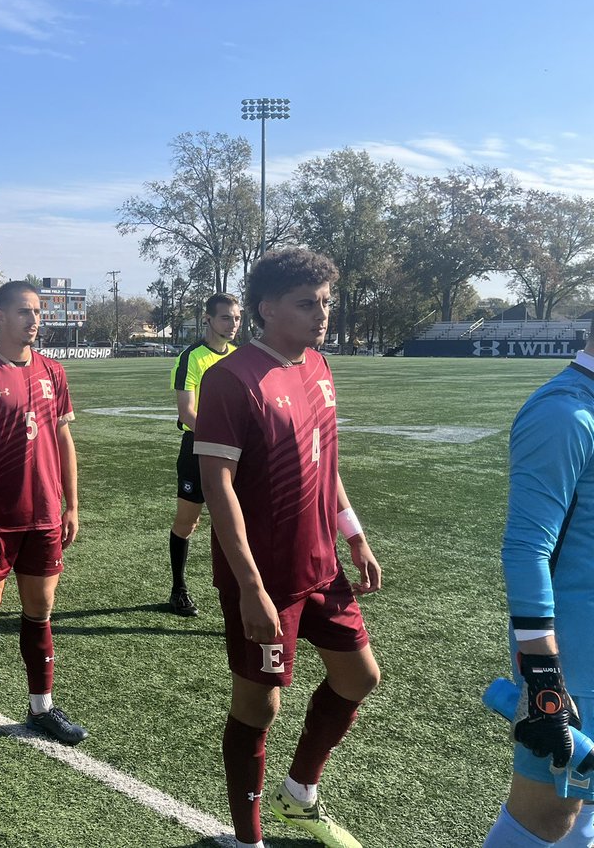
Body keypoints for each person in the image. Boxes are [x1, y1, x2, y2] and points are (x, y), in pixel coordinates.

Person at [195, 249, 382, 848]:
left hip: (322, 566)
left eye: (325, 301)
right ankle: (245, 839)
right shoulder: (232, 379)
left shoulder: (320, 366)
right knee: (259, 708)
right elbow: (217, 487)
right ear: (266, 308)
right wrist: (249, 587)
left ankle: (298, 795)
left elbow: (326, 464)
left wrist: (354, 534)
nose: (321, 314)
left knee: (358, 678)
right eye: (307, 303)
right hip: (268, 577)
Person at [0, 280, 87, 745]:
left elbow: (64, 441)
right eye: (25, 312)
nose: (35, 321)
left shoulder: (53, 372)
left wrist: (72, 504)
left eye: (38, 313)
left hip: (46, 515)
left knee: (41, 608)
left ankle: (41, 706)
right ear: (1, 317)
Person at [482, 335, 594, 848]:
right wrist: (544, 675)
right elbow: (526, 547)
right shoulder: (564, 414)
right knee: (548, 812)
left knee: (586, 804)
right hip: (574, 651)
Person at [166, 293, 241, 617]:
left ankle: (241, 590)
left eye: (237, 318)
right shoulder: (192, 358)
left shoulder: (240, 357)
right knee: (188, 522)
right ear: (208, 320)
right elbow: (187, 413)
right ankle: (178, 589)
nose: (233, 324)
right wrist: (221, 438)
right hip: (198, 451)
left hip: (236, 454)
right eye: (226, 318)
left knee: (238, 522)